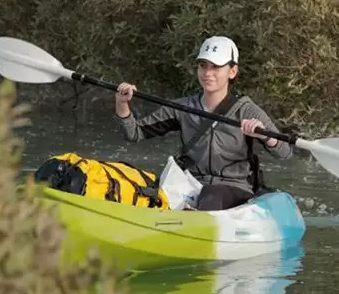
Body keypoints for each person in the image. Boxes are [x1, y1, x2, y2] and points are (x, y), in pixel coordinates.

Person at [114, 35, 294, 211]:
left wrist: (264, 136)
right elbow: (134, 133)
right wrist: (122, 104)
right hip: (189, 186)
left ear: (232, 71)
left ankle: (196, 225)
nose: (208, 73)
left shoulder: (246, 110)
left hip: (234, 189)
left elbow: (285, 152)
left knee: (211, 194)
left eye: (215, 67)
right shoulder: (182, 108)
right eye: (203, 66)